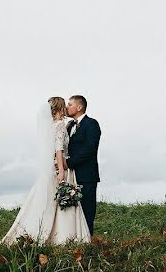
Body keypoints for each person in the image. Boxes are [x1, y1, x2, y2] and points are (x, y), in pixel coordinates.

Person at [0, 97, 90, 246]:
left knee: (50, 200)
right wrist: (62, 170)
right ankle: (63, 236)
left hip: (51, 167)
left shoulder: (52, 126)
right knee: (63, 202)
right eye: (66, 105)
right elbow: (59, 149)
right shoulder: (60, 125)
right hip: (62, 168)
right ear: (60, 108)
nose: (67, 107)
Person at [65, 94, 101, 236]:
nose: (67, 108)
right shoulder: (68, 127)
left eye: (70, 105)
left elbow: (90, 149)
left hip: (86, 175)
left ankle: (87, 242)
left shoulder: (91, 124)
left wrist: (69, 163)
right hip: (71, 176)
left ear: (79, 107)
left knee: (87, 210)